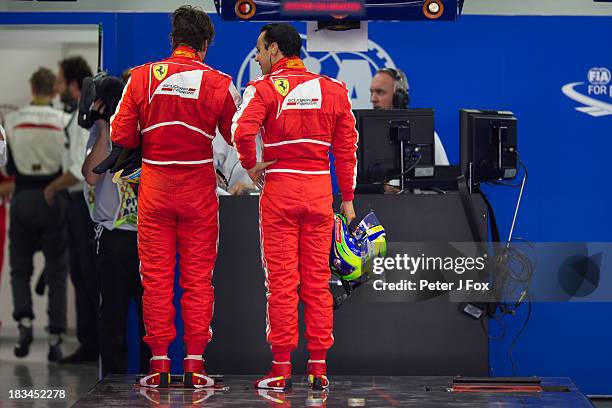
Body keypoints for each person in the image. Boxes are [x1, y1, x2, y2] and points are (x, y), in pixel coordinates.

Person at [108, 5, 240, 388]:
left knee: (156, 279)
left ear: (173, 40)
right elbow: (236, 136)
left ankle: (160, 365)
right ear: (204, 45)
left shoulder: (141, 77)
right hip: (199, 187)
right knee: (198, 280)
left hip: (156, 187)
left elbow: (122, 134)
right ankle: (195, 366)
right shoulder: (219, 82)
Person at [232, 23, 358, 391]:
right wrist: (347, 199)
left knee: (282, 285)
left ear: (274, 49)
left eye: (259, 49)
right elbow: (347, 147)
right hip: (319, 192)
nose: (256, 57)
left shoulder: (263, 88)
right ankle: (319, 369)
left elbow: (242, 130)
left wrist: (250, 163)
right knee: (318, 284)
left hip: (280, 192)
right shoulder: (334, 90)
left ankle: (281, 370)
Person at [81, 75, 150, 376]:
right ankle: (111, 381)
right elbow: (92, 174)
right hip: (113, 238)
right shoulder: (101, 134)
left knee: (152, 318)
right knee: (112, 317)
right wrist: (104, 128)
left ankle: (153, 376)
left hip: (148, 238)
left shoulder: (144, 130)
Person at [4, 67, 69, 361]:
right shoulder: (64, 120)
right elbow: (70, 162)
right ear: (52, 89)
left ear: (32, 88)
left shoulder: (13, 120)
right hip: (54, 196)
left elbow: (5, 166)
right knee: (56, 270)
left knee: (20, 266)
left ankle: (25, 322)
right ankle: (55, 336)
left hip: (22, 197)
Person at [52, 56, 99, 364]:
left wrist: (51, 187)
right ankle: (89, 342)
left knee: (86, 277)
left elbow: (81, 168)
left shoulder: (85, 115)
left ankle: (89, 344)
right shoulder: (78, 113)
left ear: (71, 82)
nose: (57, 87)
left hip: (82, 204)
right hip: (77, 204)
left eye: (59, 80)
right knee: (81, 276)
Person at [370, 67, 449, 165]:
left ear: (398, 97)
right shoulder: (364, 139)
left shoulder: (426, 136)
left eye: (380, 92)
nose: (373, 99)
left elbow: (443, 177)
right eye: (371, 92)